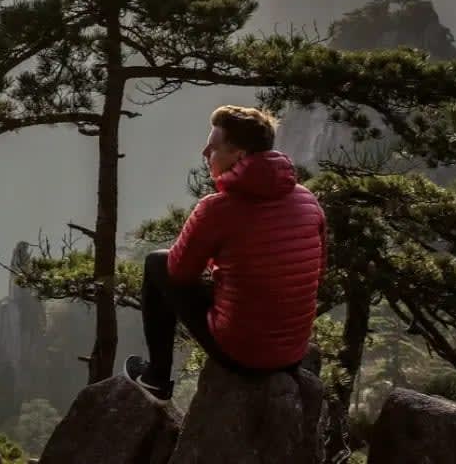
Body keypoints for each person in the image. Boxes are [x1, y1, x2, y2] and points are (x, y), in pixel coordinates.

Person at [124, 105, 326, 402]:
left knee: (157, 262)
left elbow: (179, 273)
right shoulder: (307, 200)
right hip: (293, 352)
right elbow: (318, 269)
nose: (205, 153)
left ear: (240, 156)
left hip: (243, 355)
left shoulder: (217, 208)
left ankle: (156, 377)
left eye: (214, 148)